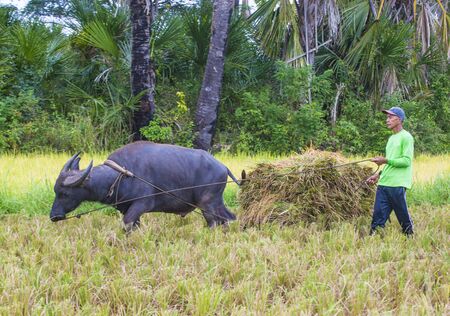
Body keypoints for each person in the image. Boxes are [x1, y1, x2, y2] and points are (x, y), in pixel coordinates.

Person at [366, 106, 414, 235]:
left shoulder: (406, 137)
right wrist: (378, 174)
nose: (387, 120)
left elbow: (406, 161)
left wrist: (385, 160)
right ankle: (374, 239)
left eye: (390, 117)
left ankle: (409, 236)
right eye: (387, 117)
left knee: (403, 217)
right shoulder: (391, 139)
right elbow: (390, 161)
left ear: (399, 119)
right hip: (384, 184)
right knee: (377, 217)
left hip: (397, 184)